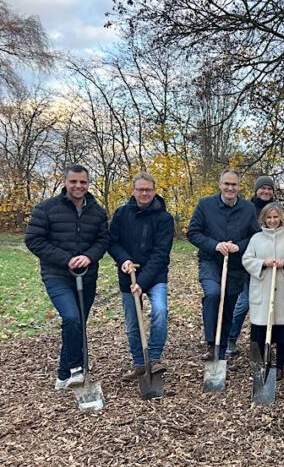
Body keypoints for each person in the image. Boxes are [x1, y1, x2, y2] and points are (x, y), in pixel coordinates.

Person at [24, 164, 110, 389]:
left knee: (78, 324)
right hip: (57, 275)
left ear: (88, 183)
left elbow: (103, 241)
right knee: (71, 318)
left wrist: (89, 257)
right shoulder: (46, 209)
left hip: (87, 276)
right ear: (65, 182)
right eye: (74, 181)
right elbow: (34, 239)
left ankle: (63, 374)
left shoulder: (97, 212)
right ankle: (76, 369)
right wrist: (66, 259)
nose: (78, 186)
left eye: (83, 182)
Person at [187, 169, 259, 361]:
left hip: (235, 265)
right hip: (210, 260)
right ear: (220, 185)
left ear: (239, 187)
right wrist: (215, 245)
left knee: (228, 306)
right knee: (213, 294)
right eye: (226, 184)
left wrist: (239, 246)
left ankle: (222, 349)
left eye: (234, 184)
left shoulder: (248, 208)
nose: (230, 188)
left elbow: (255, 235)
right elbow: (193, 233)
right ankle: (212, 344)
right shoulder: (205, 205)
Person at [108, 172, 174, 381]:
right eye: (140, 189)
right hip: (128, 274)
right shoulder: (121, 214)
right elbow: (112, 242)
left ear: (154, 191)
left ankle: (153, 359)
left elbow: (161, 253)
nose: (144, 193)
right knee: (132, 322)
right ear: (133, 191)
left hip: (155, 275)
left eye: (148, 189)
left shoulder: (164, 218)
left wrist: (143, 282)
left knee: (160, 311)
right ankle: (139, 362)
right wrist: (124, 260)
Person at [242, 203, 284, 380]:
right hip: (263, 291)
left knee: (283, 335)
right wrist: (262, 263)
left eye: (276, 217)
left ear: (281, 218)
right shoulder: (256, 239)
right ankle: (264, 363)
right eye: (269, 217)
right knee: (261, 333)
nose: (273, 221)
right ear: (264, 219)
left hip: (283, 292)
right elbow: (247, 259)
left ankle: (280, 365)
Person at [226, 175, 276, 356]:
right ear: (256, 190)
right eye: (263, 188)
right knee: (245, 302)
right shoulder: (247, 208)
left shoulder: (275, 209)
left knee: (267, 304)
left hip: (272, 263)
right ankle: (230, 337)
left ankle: (261, 342)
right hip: (251, 263)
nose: (266, 191)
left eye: (269, 189)